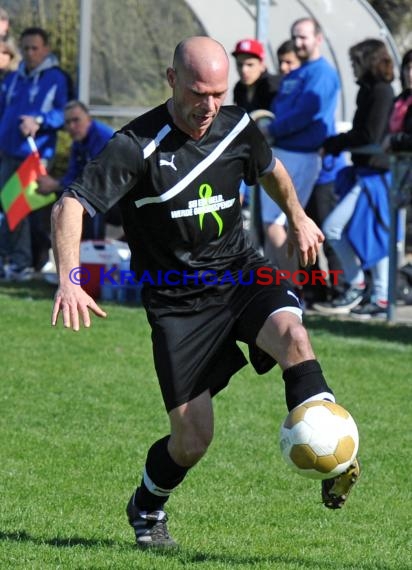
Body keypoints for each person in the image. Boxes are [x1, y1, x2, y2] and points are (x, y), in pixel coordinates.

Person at [50, 36, 360, 549]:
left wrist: (299, 217)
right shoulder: (134, 146)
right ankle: (147, 508)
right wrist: (70, 277)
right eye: (199, 93)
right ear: (172, 81)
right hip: (177, 303)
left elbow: (270, 169)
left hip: (240, 272)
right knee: (193, 440)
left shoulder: (237, 124)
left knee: (295, 338)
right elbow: (71, 205)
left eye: (218, 93)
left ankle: (333, 453)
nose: (209, 107)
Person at [312, 39, 395, 319]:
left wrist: (335, 142)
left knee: (338, 229)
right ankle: (369, 290)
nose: (352, 68)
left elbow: (370, 136)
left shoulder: (382, 92)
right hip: (363, 171)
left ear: (367, 61)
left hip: (376, 174)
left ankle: (373, 293)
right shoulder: (368, 91)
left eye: (355, 62)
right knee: (349, 231)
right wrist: (338, 143)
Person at [259, 18, 341, 281]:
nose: (298, 42)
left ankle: (289, 290)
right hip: (283, 152)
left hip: (301, 155)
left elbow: (307, 113)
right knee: (275, 224)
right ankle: (278, 290)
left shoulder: (323, 73)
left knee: (276, 223)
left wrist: (271, 130)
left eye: (304, 37)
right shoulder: (296, 73)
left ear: (318, 39)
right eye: (295, 36)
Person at [0, 26, 71, 280]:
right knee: (9, 206)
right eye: (26, 48)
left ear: (46, 50)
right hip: (8, 151)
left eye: (35, 48)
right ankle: (14, 259)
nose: (29, 53)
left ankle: (23, 262)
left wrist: (39, 120)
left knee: (19, 206)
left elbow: (66, 112)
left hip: (36, 154)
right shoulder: (13, 77)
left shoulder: (56, 78)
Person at [37, 100, 116, 240]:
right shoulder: (78, 142)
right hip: (101, 193)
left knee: (91, 203)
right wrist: (57, 185)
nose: (72, 126)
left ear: (88, 118)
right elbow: (73, 174)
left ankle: (92, 251)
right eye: (67, 122)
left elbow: (96, 180)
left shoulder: (102, 137)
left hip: (120, 196)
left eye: (76, 120)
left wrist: (55, 184)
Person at [232, 37, 280, 113]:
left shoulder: (272, 86)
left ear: (262, 65)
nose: (244, 70)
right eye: (239, 64)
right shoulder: (239, 88)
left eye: (250, 65)